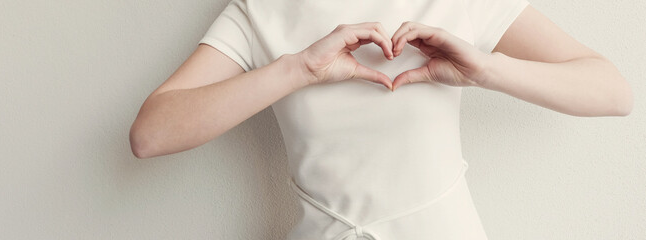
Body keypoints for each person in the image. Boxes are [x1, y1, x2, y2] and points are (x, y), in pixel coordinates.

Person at [129, 0, 633, 239]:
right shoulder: (262, 8)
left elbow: (613, 91)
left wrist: (485, 70)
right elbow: (151, 134)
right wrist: (298, 68)